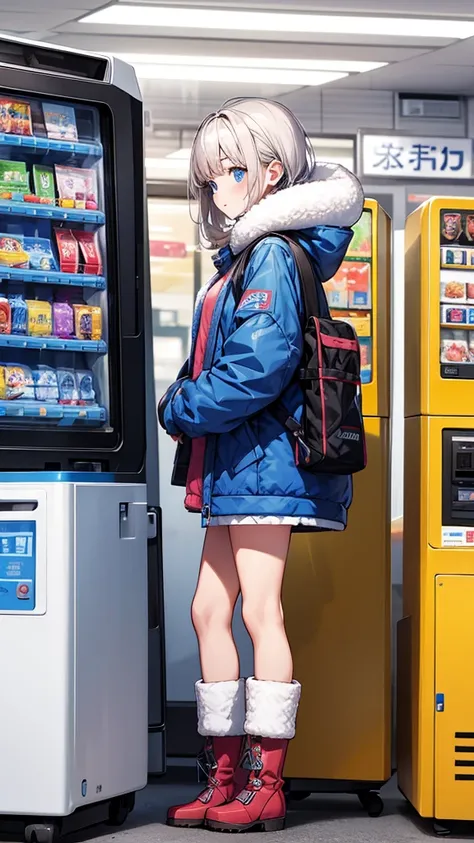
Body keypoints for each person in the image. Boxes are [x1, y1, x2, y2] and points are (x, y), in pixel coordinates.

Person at [158, 97, 364, 833]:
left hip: (263, 462)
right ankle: (225, 776)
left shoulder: (271, 253)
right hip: (242, 464)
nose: (219, 187)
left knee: (255, 609)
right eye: (212, 175)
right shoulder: (254, 252)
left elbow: (259, 364)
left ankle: (263, 785)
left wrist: (181, 405)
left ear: (273, 173)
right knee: (211, 610)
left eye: (233, 171)